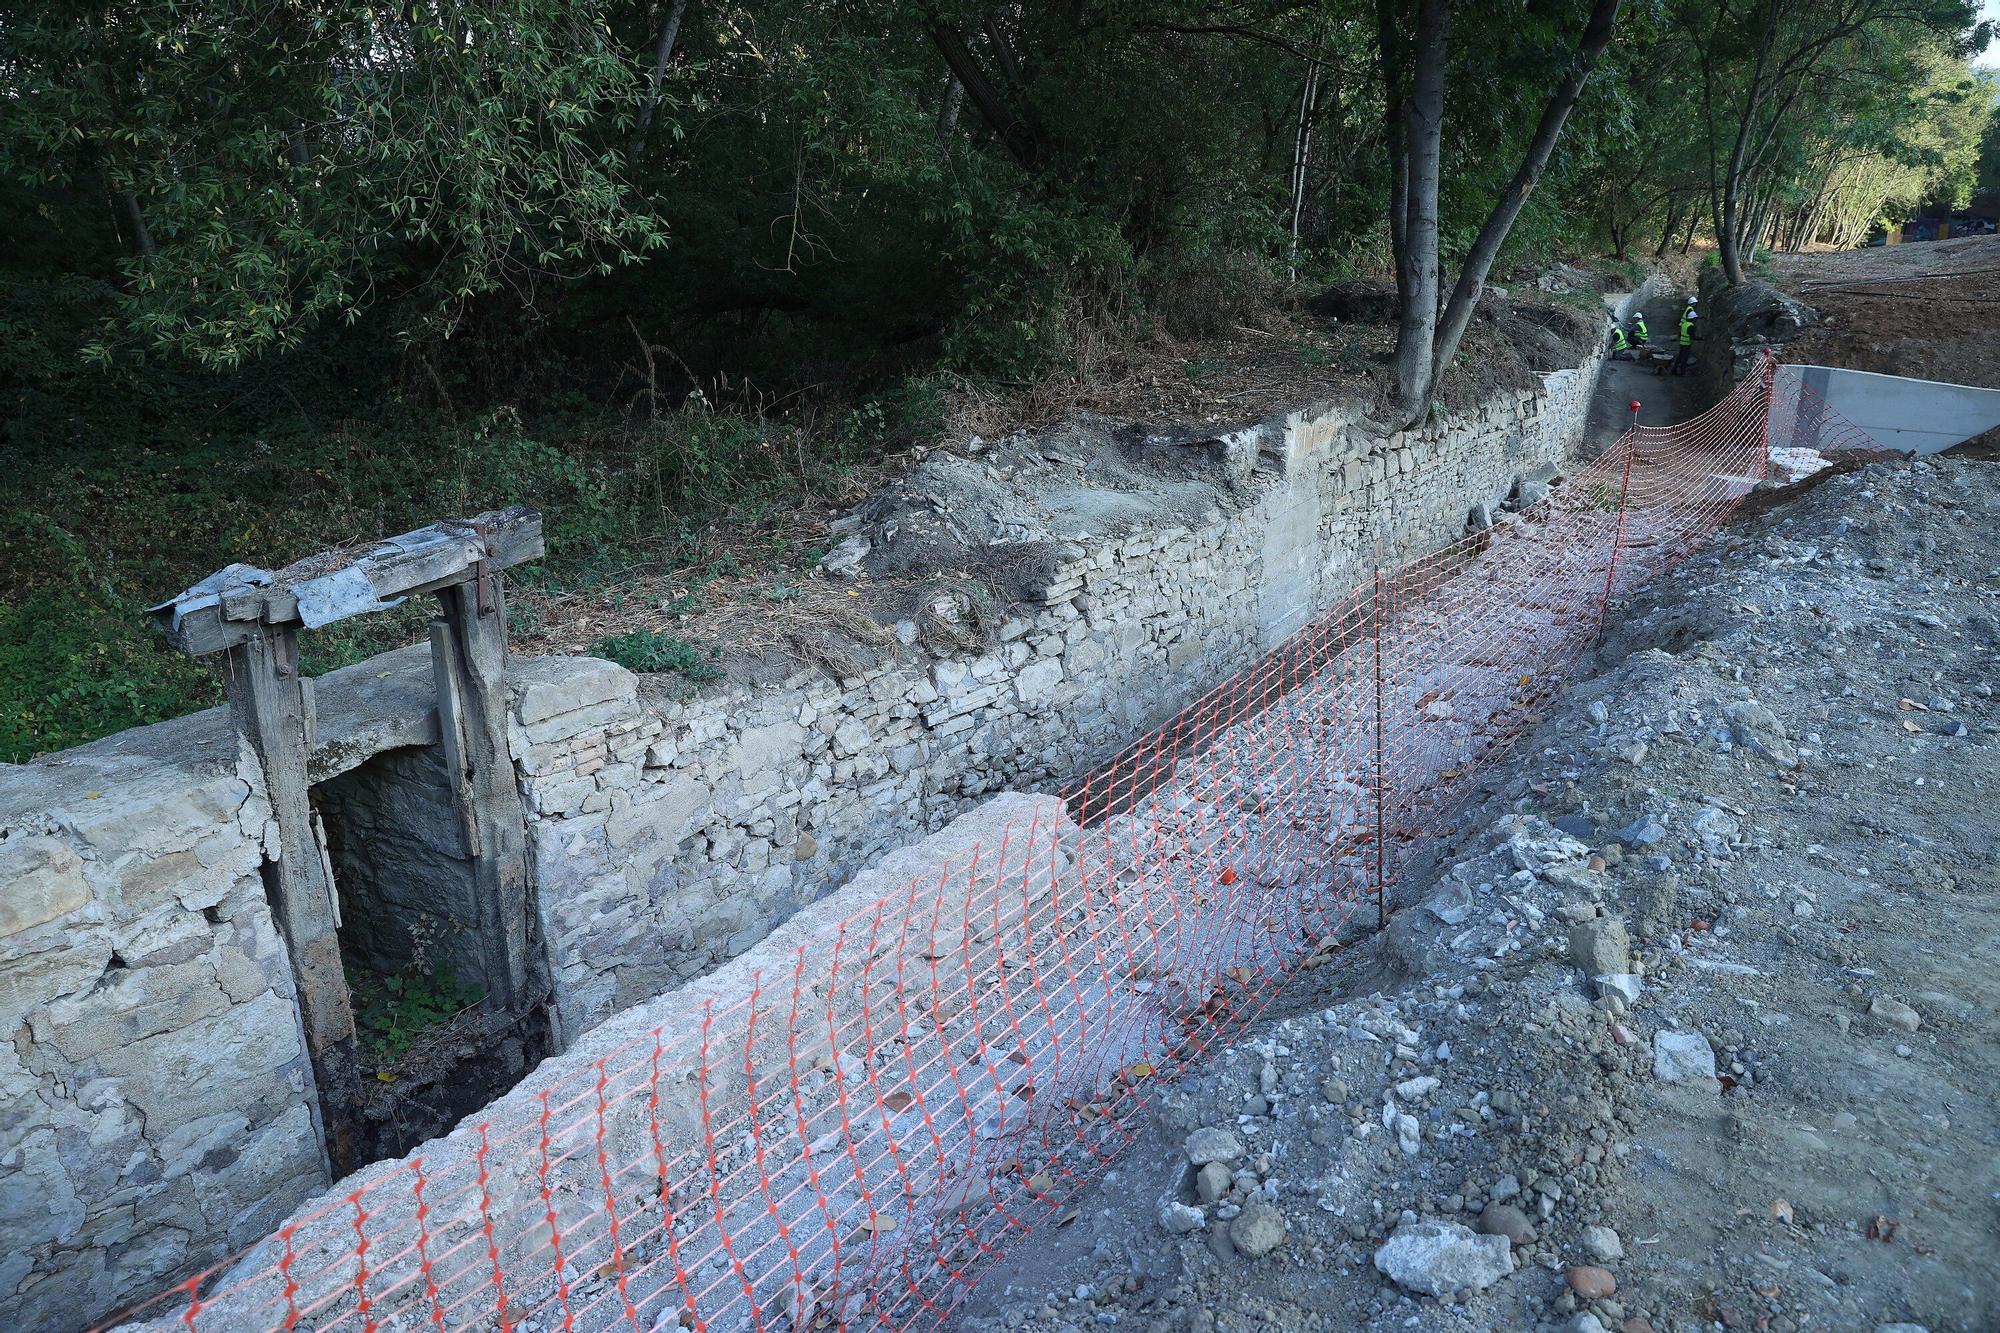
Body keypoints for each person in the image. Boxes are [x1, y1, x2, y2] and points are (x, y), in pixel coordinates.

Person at [1670, 301, 1698, 376]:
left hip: (1682, 343)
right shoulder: (1691, 326)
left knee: (1679, 357)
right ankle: (1682, 373)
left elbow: (1681, 334)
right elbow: (1692, 337)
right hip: (1687, 344)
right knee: (1684, 359)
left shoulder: (1684, 324)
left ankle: (1674, 370)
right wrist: (1701, 338)